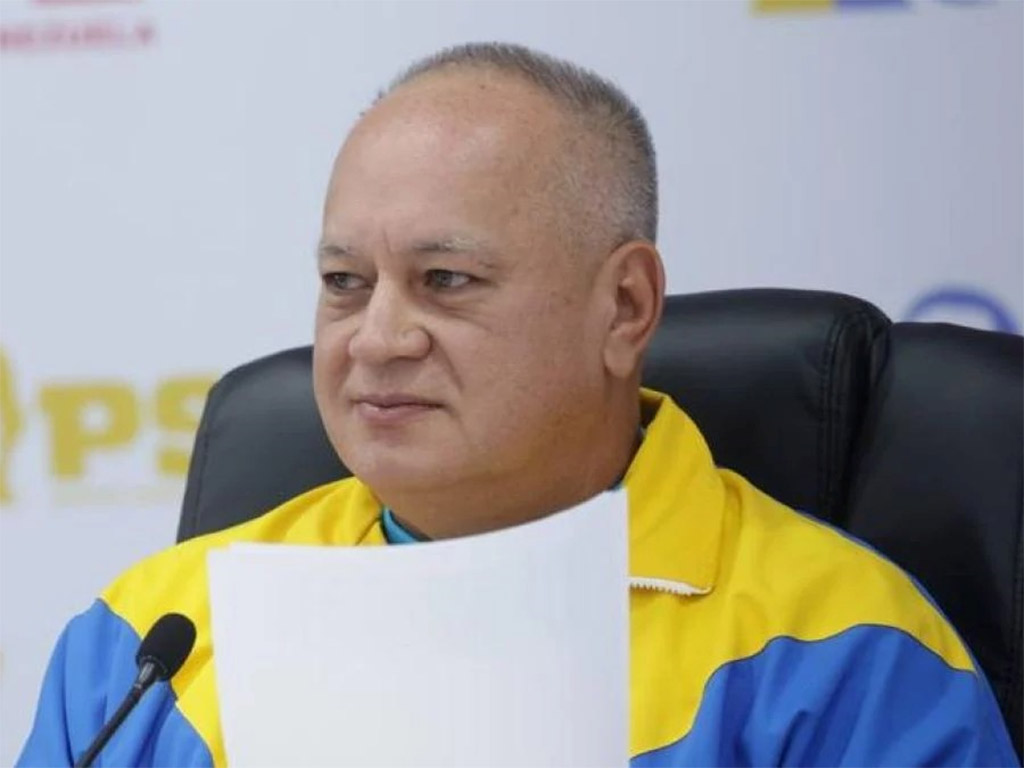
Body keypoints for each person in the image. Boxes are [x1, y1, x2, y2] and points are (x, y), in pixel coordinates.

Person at [18, 43, 1017, 767]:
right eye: (344, 283)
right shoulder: (147, 642)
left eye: (446, 281)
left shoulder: (842, 649)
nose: (376, 338)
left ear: (624, 307)